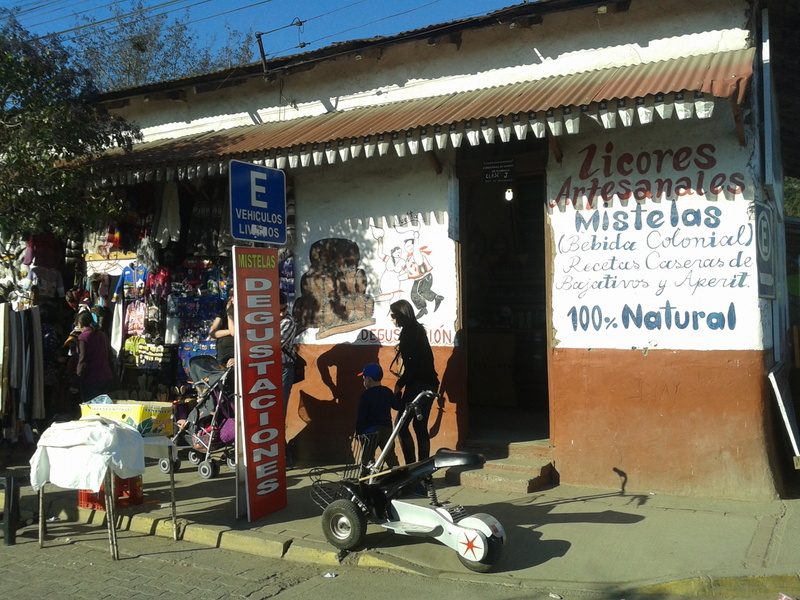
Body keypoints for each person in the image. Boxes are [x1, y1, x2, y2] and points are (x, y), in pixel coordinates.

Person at [389, 299, 439, 464]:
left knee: (401, 425)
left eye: (394, 316)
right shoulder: (418, 330)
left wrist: (399, 385)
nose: (392, 319)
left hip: (417, 385)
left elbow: (412, 366)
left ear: (402, 315)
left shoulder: (408, 334)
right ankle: (423, 467)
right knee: (420, 426)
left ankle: (410, 466)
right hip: (430, 384)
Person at [355, 362, 399, 470]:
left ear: (369, 380)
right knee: (390, 455)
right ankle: (396, 471)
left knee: (367, 458)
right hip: (387, 429)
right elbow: (397, 406)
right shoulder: (387, 392)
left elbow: (361, 416)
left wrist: (359, 432)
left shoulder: (366, 395)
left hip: (371, 432)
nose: (364, 381)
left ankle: (367, 475)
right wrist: (399, 394)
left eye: (364, 378)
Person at [71, 310, 115, 403]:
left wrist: (76, 383)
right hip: (106, 376)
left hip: (92, 379)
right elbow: (109, 355)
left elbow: (82, 361)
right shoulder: (102, 335)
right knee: (104, 406)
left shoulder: (83, 338)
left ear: (79, 324)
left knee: (92, 407)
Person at [279, 291, 298, 412]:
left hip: (283, 369)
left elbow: (274, 345)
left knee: (280, 408)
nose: (282, 313)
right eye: (279, 310)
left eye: (284, 309)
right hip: (267, 369)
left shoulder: (288, 322)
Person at [209, 291, 235, 369]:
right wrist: (229, 331)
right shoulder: (222, 313)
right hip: (222, 356)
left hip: (234, 356)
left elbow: (234, 333)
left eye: (233, 296)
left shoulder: (242, 314)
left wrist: (230, 314)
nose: (231, 299)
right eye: (230, 296)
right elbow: (212, 333)